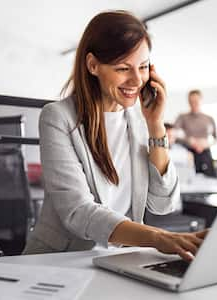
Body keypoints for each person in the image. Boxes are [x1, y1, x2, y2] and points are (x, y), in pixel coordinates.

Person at [23, 11, 207, 261]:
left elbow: (163, 204)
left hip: (122, 259)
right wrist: (159, 238)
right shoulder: (58, 117)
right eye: (123, 68)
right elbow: (78, 212)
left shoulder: (140, 119)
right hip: (63, 259)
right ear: (93, 65)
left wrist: (156, 126)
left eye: (143, 67)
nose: (137, 80)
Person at [175, 90, 217, 177]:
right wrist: (188, 140)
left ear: (201, 100)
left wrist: (206, 144)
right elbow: (174, 135)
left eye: (196, 101)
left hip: (205, 153)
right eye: (191, 101)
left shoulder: (209, 118)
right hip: (189, 153)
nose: (193, 104)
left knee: (210, 178)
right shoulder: (182, 117)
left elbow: (216, 139)